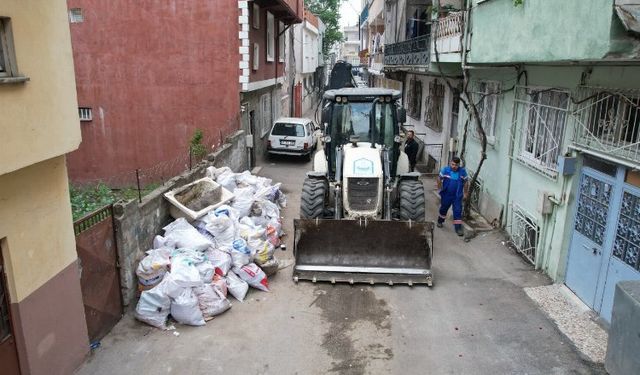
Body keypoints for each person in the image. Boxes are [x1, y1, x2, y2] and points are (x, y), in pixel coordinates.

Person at [436, 157, 469, 236]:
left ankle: (458, 228)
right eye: (452, 164)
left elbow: (466, 182)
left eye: (456, 165)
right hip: (446, 194)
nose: (454, 166)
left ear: (459, 165)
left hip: (457, 196)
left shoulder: (462, 171)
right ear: (450, 163)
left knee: (457, 211)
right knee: (444, 208)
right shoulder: (445, 170)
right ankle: (440, 221)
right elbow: (439, 178)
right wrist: (439, 188)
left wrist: (465, 193)